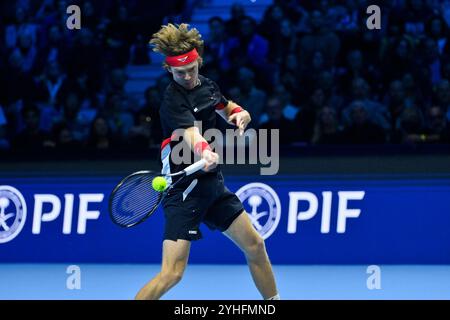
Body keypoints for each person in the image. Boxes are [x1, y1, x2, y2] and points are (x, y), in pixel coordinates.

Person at [135, 23, 279, 300]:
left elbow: (224, 107)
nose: (188, 76)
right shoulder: (171, 100)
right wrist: (204, 151)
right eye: (180, 73)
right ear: (169, 70)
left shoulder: (207, 85)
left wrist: (240, 113)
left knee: (255, 245)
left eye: (192, 69)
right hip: (184, 191)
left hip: (212, 185)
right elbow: (190, 134)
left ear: (199, 61)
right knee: (172, 274)